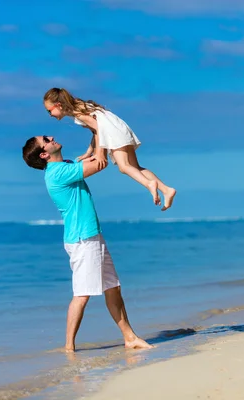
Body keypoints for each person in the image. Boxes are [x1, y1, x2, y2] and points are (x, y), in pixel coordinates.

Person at [22, 135, 153, 352]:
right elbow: (99, 163)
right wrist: (99, 132)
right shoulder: (58, 173)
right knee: (82, 295)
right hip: (83, 240)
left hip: (92, 236)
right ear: (44, 154)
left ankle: (130, 338)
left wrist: (96, 129)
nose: (52, 137)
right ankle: (68, 348)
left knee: (113, 288)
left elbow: (94, 156)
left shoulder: (67, 165)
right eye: (46, 139)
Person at [43, 87, 176, 211]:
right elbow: (95, 131)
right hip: (118, 127)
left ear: (58, 105)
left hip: (113, 132)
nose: (50, 114)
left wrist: (100, 153)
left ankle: (149, 184)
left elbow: (99, 128)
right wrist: (89, 152)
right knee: (135, 167)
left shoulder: (78, 113)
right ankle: (166, 190)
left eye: (49, 111)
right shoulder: (79, 107)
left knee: (124, 167)